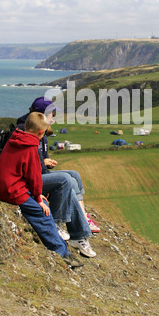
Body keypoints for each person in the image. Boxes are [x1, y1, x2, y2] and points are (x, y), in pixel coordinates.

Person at [0, 112, 92, 267]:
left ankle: (65, 246)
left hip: (0, 184)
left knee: (43, 206)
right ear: (41, 132)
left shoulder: (17, 136)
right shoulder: (30, 147)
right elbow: (34, 177)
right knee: (43, 213)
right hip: (11, 189)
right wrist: (38, 197)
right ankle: (63, 254)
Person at [17, 96, 100, 234]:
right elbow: (24, 160)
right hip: (31, 178)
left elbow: (41, 156)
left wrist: (46, 162)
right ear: (42, 114)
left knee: (74, 175)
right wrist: (42, 162)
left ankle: (84, 217)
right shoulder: (26, 130)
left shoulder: (40, 130)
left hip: (41, 172)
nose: (53, 117)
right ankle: (57, 223)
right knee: (67, 180)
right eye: (51, 114)